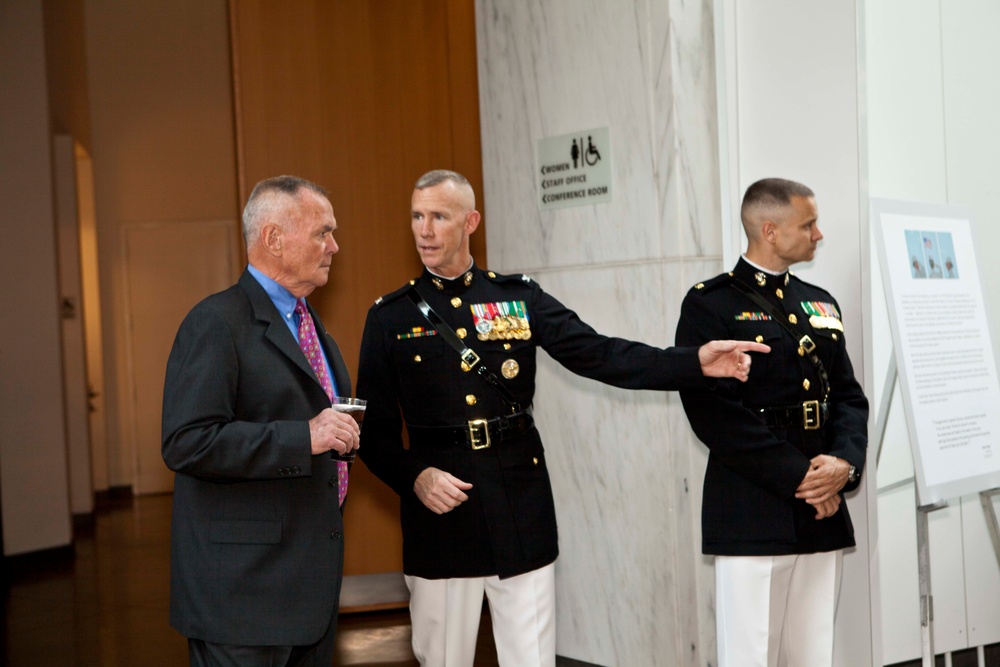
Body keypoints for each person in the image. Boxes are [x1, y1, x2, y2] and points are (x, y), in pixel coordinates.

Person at [355, 169, 770, 667]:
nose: (424, 230)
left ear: (470, 222)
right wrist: (415, 477)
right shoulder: (391, 317)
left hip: (518, 504)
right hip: (442, 516)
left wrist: (695, 362)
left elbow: (598, 353)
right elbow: (372, 433)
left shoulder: (516, 297)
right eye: (417, 217)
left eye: (438, 217)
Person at [161, 175, 360, 666]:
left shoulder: (316, 331)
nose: (335, 246)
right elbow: (187, 441)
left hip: (306, 594)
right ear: (273, 239)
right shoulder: (215, 322)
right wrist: (305, 437)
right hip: (243, 599)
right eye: (322, 232)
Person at [675, 178, 869, 667]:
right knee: (751, 654)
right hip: (752, 507)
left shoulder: (819, 302)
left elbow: (847, 396)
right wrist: (801, 477)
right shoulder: (710, 304)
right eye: (808, 225)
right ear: (769, 229)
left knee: (812, 653)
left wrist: (844, 464)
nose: (818, 234)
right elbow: (712, 412)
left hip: (820, 507)